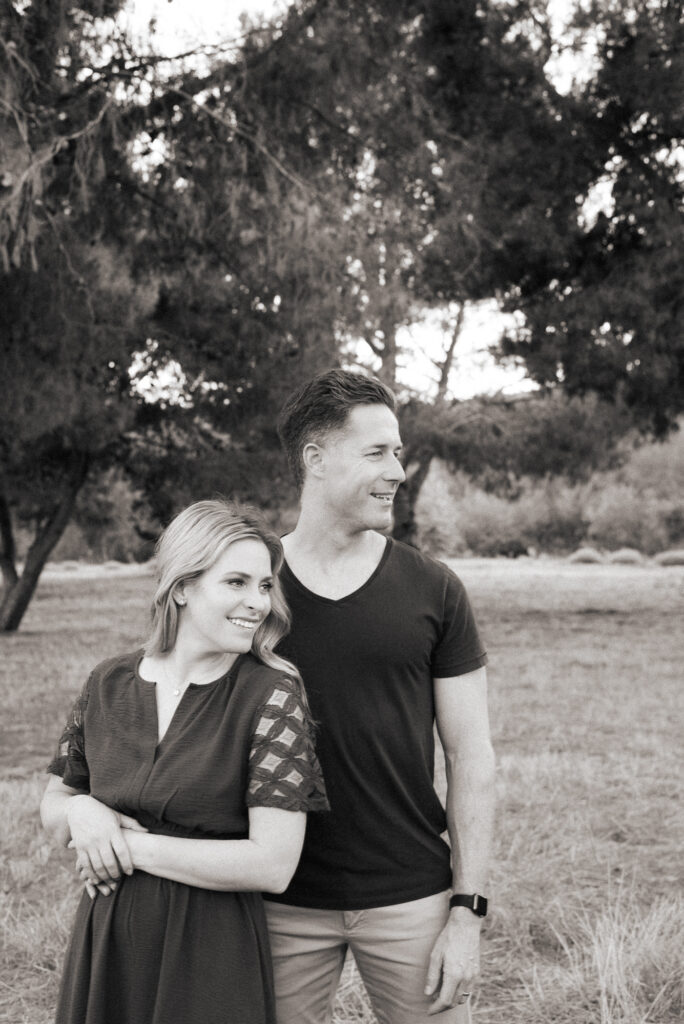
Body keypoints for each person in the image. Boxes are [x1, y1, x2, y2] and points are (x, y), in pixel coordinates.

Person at [265, 369, 495, 1024]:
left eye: (397, 452)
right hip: (276, 898)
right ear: (315, 458)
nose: (396, 471)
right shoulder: (250, 587)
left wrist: (467, 913)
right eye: (376, 453)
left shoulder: (435, 589)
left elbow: (472, 756)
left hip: (412, 896)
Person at [40, 499, 328, 1024]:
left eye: (265, 586)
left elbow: (273, 864)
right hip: (108, 940)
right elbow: (56, 804)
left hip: (209, 949)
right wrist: (82, 812)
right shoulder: (108, 682)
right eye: (237, 582)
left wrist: (125, 847)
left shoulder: (270, 695)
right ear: (182, 588)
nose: (258, 603)